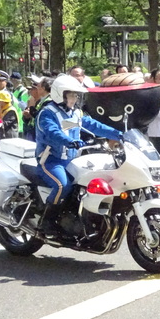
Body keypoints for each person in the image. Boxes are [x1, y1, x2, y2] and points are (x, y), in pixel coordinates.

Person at [36, 75, 123, 236]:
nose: (75, 98)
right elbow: (52, 132)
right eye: (72, 95)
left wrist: (118, 134)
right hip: (50, 161)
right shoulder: (47, 113)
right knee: (63, 185)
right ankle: (47, 221)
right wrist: (69, 141)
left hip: (72, 160)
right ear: (60, 94)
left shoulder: (75, 113)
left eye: (77, 95)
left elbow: (94, 125)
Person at [22, 76, 53, 141]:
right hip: (33, 131)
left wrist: (32, 112)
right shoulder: (42, 100)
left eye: (38, 87)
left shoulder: (48, 101)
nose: (37, 89)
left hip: (39, 134)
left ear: (43, 88)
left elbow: (42, 117)